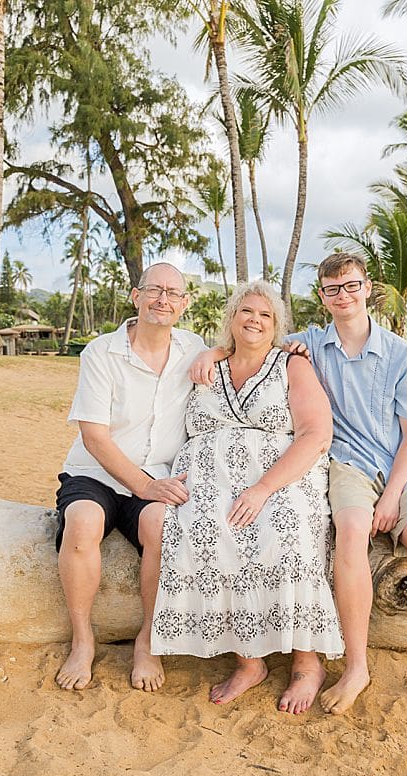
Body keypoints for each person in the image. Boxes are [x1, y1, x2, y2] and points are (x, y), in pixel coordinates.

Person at [191, 253, 407, 731]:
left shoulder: (401, 354)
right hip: (348, 465)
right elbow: (254, 340)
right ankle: (356, 667)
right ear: (322, 297)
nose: (342, 295)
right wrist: (210, 353)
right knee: (349, 532)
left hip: (405, 466)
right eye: (332, 289)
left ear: (367, 289)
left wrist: (392, 498)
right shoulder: (310, 346)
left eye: (351, 286)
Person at [151, 279, 343, 714]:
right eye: (246, 312)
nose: (254, 320)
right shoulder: (206, 365)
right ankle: (248, 660)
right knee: (203, 532)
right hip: (209, 480)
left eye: (265, 315)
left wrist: (262, 488)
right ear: (231, 319)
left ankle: (306, 663)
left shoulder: (291, 365)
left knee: (287, 532)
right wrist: (212, 352)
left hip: (281, 478)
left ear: (277, 326)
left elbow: (316, 433)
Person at [54, 262, 204, 693]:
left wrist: (294, 348)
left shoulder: (194, 348)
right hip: (97, 472)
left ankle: (147, 641)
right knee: (81, 524)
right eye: (154, 290)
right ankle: (83, 639)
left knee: (160, 526)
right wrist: (142, 486)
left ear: (184, 304)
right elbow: (94, 437)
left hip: (160, 472)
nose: (164, 299)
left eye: (173, 293)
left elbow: (246, 347)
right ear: (136, 297)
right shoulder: (101, 352)